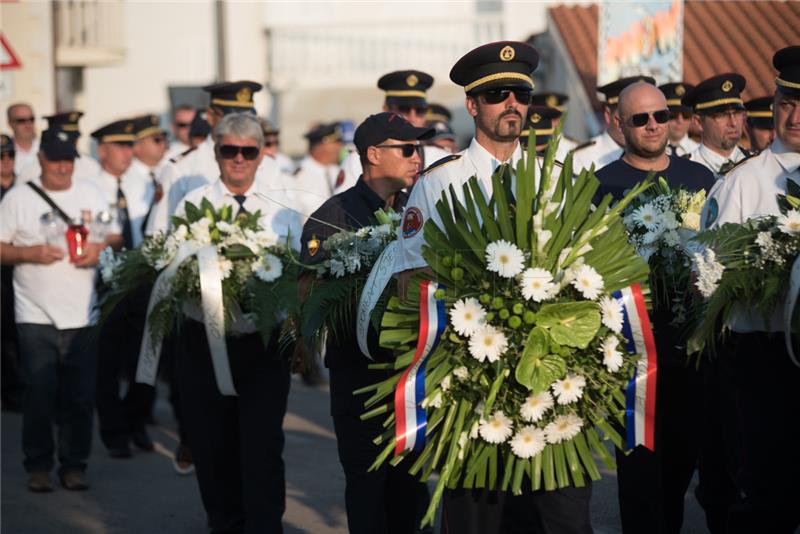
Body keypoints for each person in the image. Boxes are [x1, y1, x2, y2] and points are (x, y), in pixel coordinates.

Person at [398, 40, 593, 534]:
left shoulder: (555, 180)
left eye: (520, 95)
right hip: (471, 381)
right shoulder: (440, 183)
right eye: (496, 94)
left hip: (549, 380)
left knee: (562, 519)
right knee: (476, 519)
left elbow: (586, 272)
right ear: (472, 105)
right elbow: (409, 280)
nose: (512, 104)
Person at [298, 111, 434, 534]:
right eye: (407, 149)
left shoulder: (421, 206)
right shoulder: (333, 216)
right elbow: (307, 295)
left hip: (412, 374)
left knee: (412, 486)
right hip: (360, 376)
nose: (418, 157)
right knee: (368, 486)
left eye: (419, 148)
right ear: (373, 155)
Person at [593, 82, 716, 534]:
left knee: (681, 465)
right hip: (631, 355)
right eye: (640, 119)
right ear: (619, 123)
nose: (652, 126)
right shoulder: (598, 186)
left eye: (660, 116)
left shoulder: (702, 180)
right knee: (639, 474)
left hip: (692, 347)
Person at [172, 112, 293, 533]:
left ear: (261, 155)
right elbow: (173, 267)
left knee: (262, 446)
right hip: (204, 340)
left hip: (262, 343)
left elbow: (298, 271)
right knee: (212, 444)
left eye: (248, 151)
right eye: (229, 150)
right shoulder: (192, 204)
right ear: (216, 152)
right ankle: (223, 523)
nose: (238, 159)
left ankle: (264, 526)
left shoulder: (282, 208)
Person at [700, 45, 800, 534]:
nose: (796, 116)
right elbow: (710, 274)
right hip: (765, 358)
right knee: (768, 494)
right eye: (787, 103)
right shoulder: (742, 183)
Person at [0, 129, 121, 492]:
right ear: (40, 160)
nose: (63, 167)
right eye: (55, 160)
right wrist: (29, 253)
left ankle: (74, 464)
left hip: (84, 313)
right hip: (35, 312)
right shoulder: (19, 198)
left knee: (80, 395)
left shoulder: (89, 191)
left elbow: (113, 234)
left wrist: (99, 248)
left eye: (68, 159)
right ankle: (38, 465)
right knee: (40, 391)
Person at [90, 119, 158, 459]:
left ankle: (136, 420)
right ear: (102, 150)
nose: (128, 152)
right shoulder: (89, 186)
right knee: (107, 361)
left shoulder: (141, 185)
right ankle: (114, 430)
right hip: (107, 282)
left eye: (131, 145)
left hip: (141, 279)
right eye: (120, 146)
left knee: (144, 357)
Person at [145, 80, 281, 235]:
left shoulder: (270, 165)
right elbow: (158, 233)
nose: (240, 125)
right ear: (210, 116)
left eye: (249, 119)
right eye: (232, 118)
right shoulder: (181, 168)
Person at [336, 70, 450, 193]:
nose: (412, 117)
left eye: (420, 110)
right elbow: (343, 208)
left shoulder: (441, 158)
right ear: (385, 109)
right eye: (404, 109)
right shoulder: (356, 161)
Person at [572, 76, 655, 174]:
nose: (635, 123)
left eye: (642, 117)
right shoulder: (582, 159)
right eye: (627, 115)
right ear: (607, 114)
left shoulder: (658, 156)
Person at [685, 74, 751, 177]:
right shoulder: (684, 169)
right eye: (722, 115)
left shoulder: (757, 163)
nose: (733, 123)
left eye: (737, 113)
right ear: (698, 122)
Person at [1, 133, 24, 413]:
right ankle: (10, 388)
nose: (5, 162)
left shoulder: (24, 186)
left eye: (10, 155)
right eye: (1, 156)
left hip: (20, 267)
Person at [18, 112, 102, 183]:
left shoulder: (92, 167)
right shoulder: (31, 172)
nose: (73, 142)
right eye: (67, 138)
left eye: (74, 137)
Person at [291, 122, 344, 220]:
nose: (340, 147)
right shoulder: (299, 176)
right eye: (336, 142)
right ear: (323, 145)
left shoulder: (337, 171)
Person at [659, 82, 700, 156]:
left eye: (686, 115)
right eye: (673, 115)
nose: (680, 121)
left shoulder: (698, 152)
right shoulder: (651, 151)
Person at [6, 103, 40, 176]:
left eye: (31, 119)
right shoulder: (4, 153)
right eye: (21, 121)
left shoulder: (47, 148)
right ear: (10, 123)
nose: (28, 124)